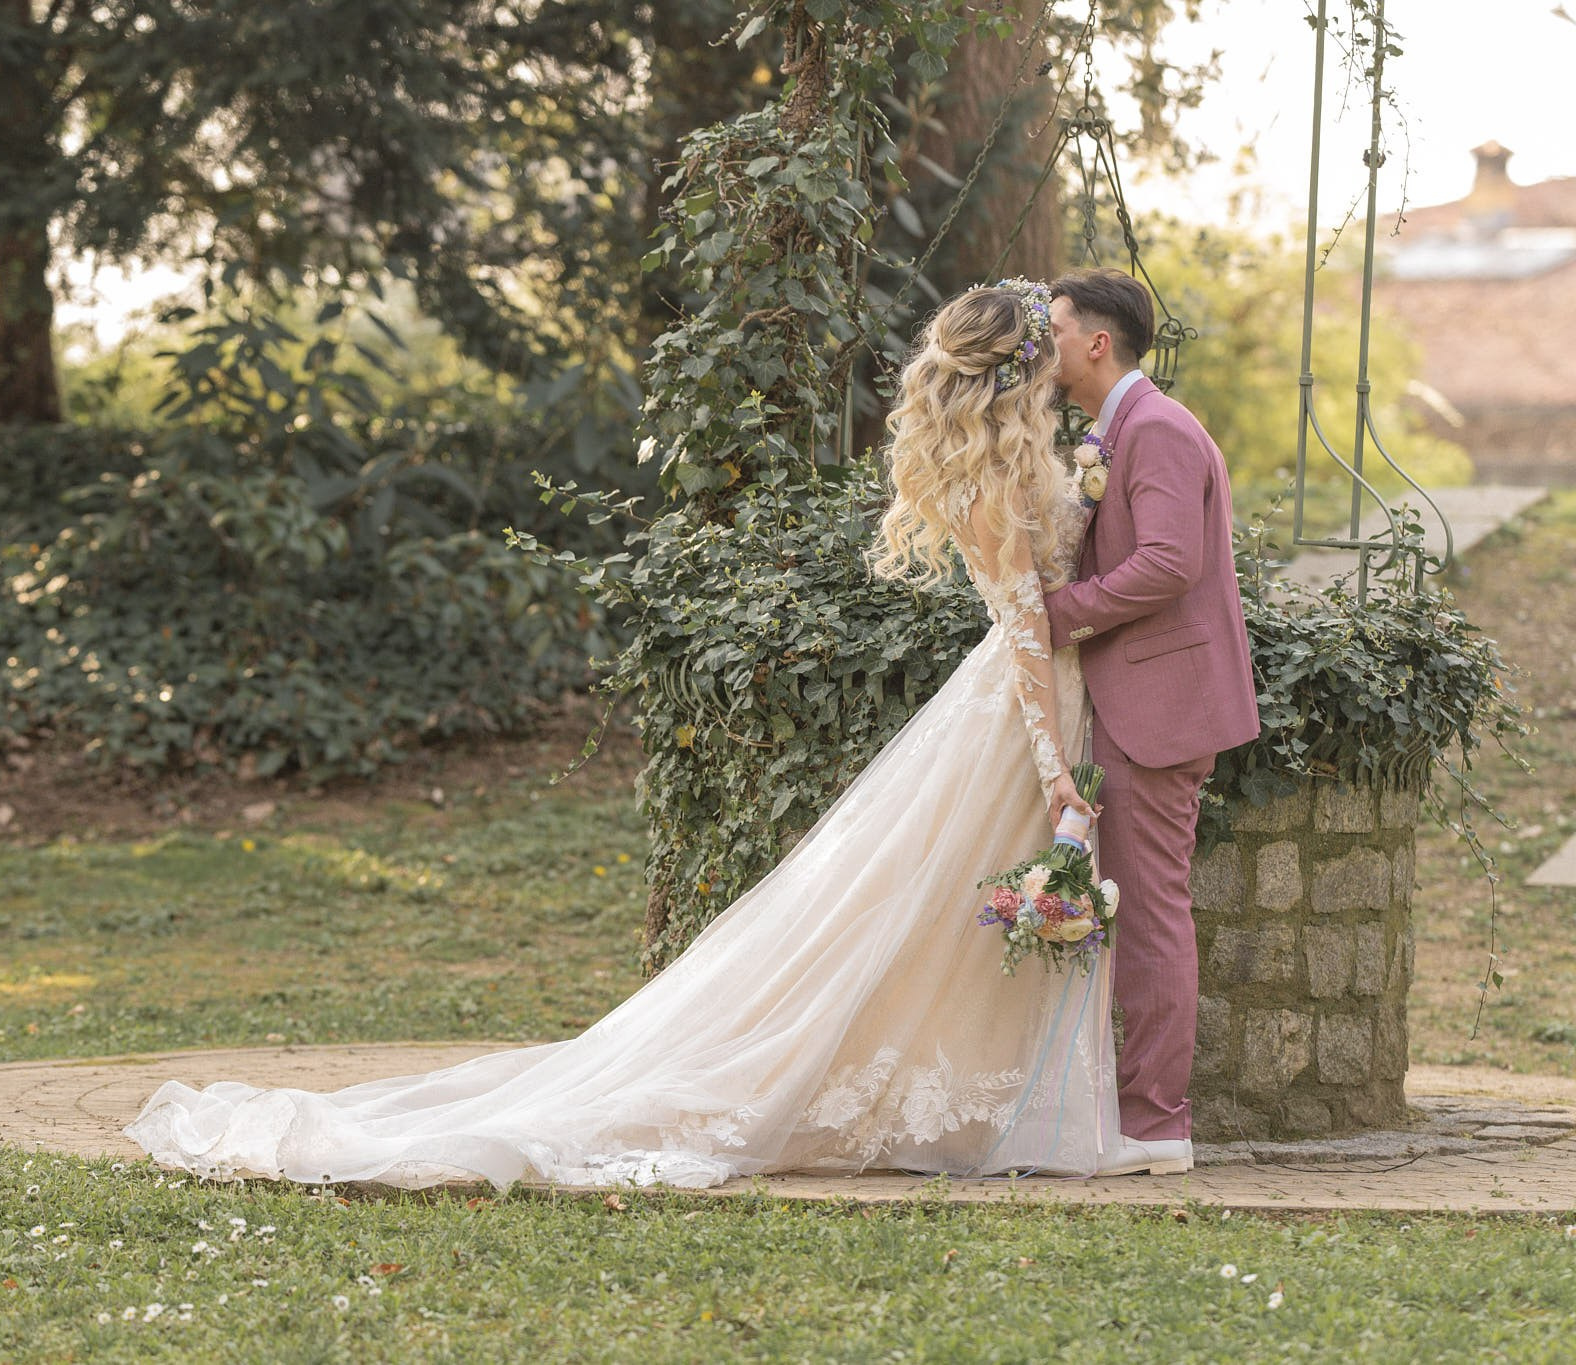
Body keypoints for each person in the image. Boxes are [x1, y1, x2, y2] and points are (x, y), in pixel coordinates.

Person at [124, 279, 1138, 1189]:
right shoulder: (1002, 480)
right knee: (931, 912)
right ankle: (954, 1102)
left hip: (1019, 701)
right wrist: (1056, 779)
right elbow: (1020, 631)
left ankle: (973, 1098)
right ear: (1024, 368)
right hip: (1015, 712)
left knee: (926, 921)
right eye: (1046, 343)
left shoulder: (1010, 461)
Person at [1042, 268, 1261, 1175]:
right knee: (1137, 909)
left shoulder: (1158, 429)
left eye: (1052, 329)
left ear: (1098, 341)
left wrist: (1060, 612)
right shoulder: (1117, 428)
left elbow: (1170, 562)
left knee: (1154, 914)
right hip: (1131, 699)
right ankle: (1130, 1113)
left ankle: (1156, 1125)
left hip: (1158, 710)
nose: (1039, 344)